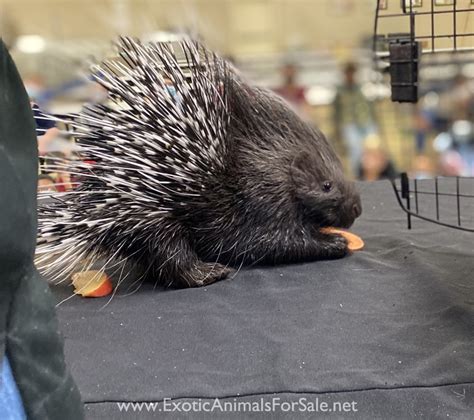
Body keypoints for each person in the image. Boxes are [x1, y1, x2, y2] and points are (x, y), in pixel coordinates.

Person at [333, 62, 377, 177]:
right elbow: (336, 113)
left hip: (365, 121)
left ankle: (373, 174)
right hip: (349, 124)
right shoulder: (340, 92)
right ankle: (358, 175)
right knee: (356, 150)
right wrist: (337, 130)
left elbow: (369, 107)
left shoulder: (362, 89)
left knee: (372, 147)